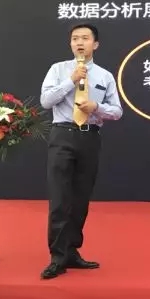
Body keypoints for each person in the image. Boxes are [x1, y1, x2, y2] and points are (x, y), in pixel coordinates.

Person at [39, 23, 123, 279]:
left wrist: (97, 107)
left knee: (80, 199)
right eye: (75, 38)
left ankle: (71, 251)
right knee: (60, 199)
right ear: (70, 44)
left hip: (90, 137)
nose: (79, 42)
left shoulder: (105, 76)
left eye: (85, 38)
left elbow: (117, 111)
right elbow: (46, 101)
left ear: (95, 44)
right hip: (62, 135)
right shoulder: (58, 70)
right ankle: (57, 257)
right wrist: (71, 81)